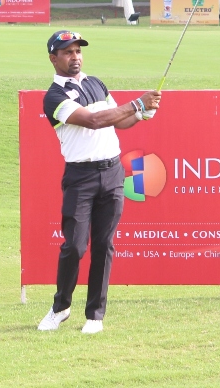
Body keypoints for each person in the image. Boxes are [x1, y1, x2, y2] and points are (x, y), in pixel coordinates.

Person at [38, 30, 161, 334]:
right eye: (67, 52)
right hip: (80, 178)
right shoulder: (53, 97)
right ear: (53, 58)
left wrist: (142, 113)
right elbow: (93, 121)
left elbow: (118, 120)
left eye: (78, 51)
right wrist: (137, 103)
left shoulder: (96, 83)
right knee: (75, 246)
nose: (75, 57)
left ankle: (95, 316)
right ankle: (61, 307)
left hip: (113, 173)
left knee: (104, 245)